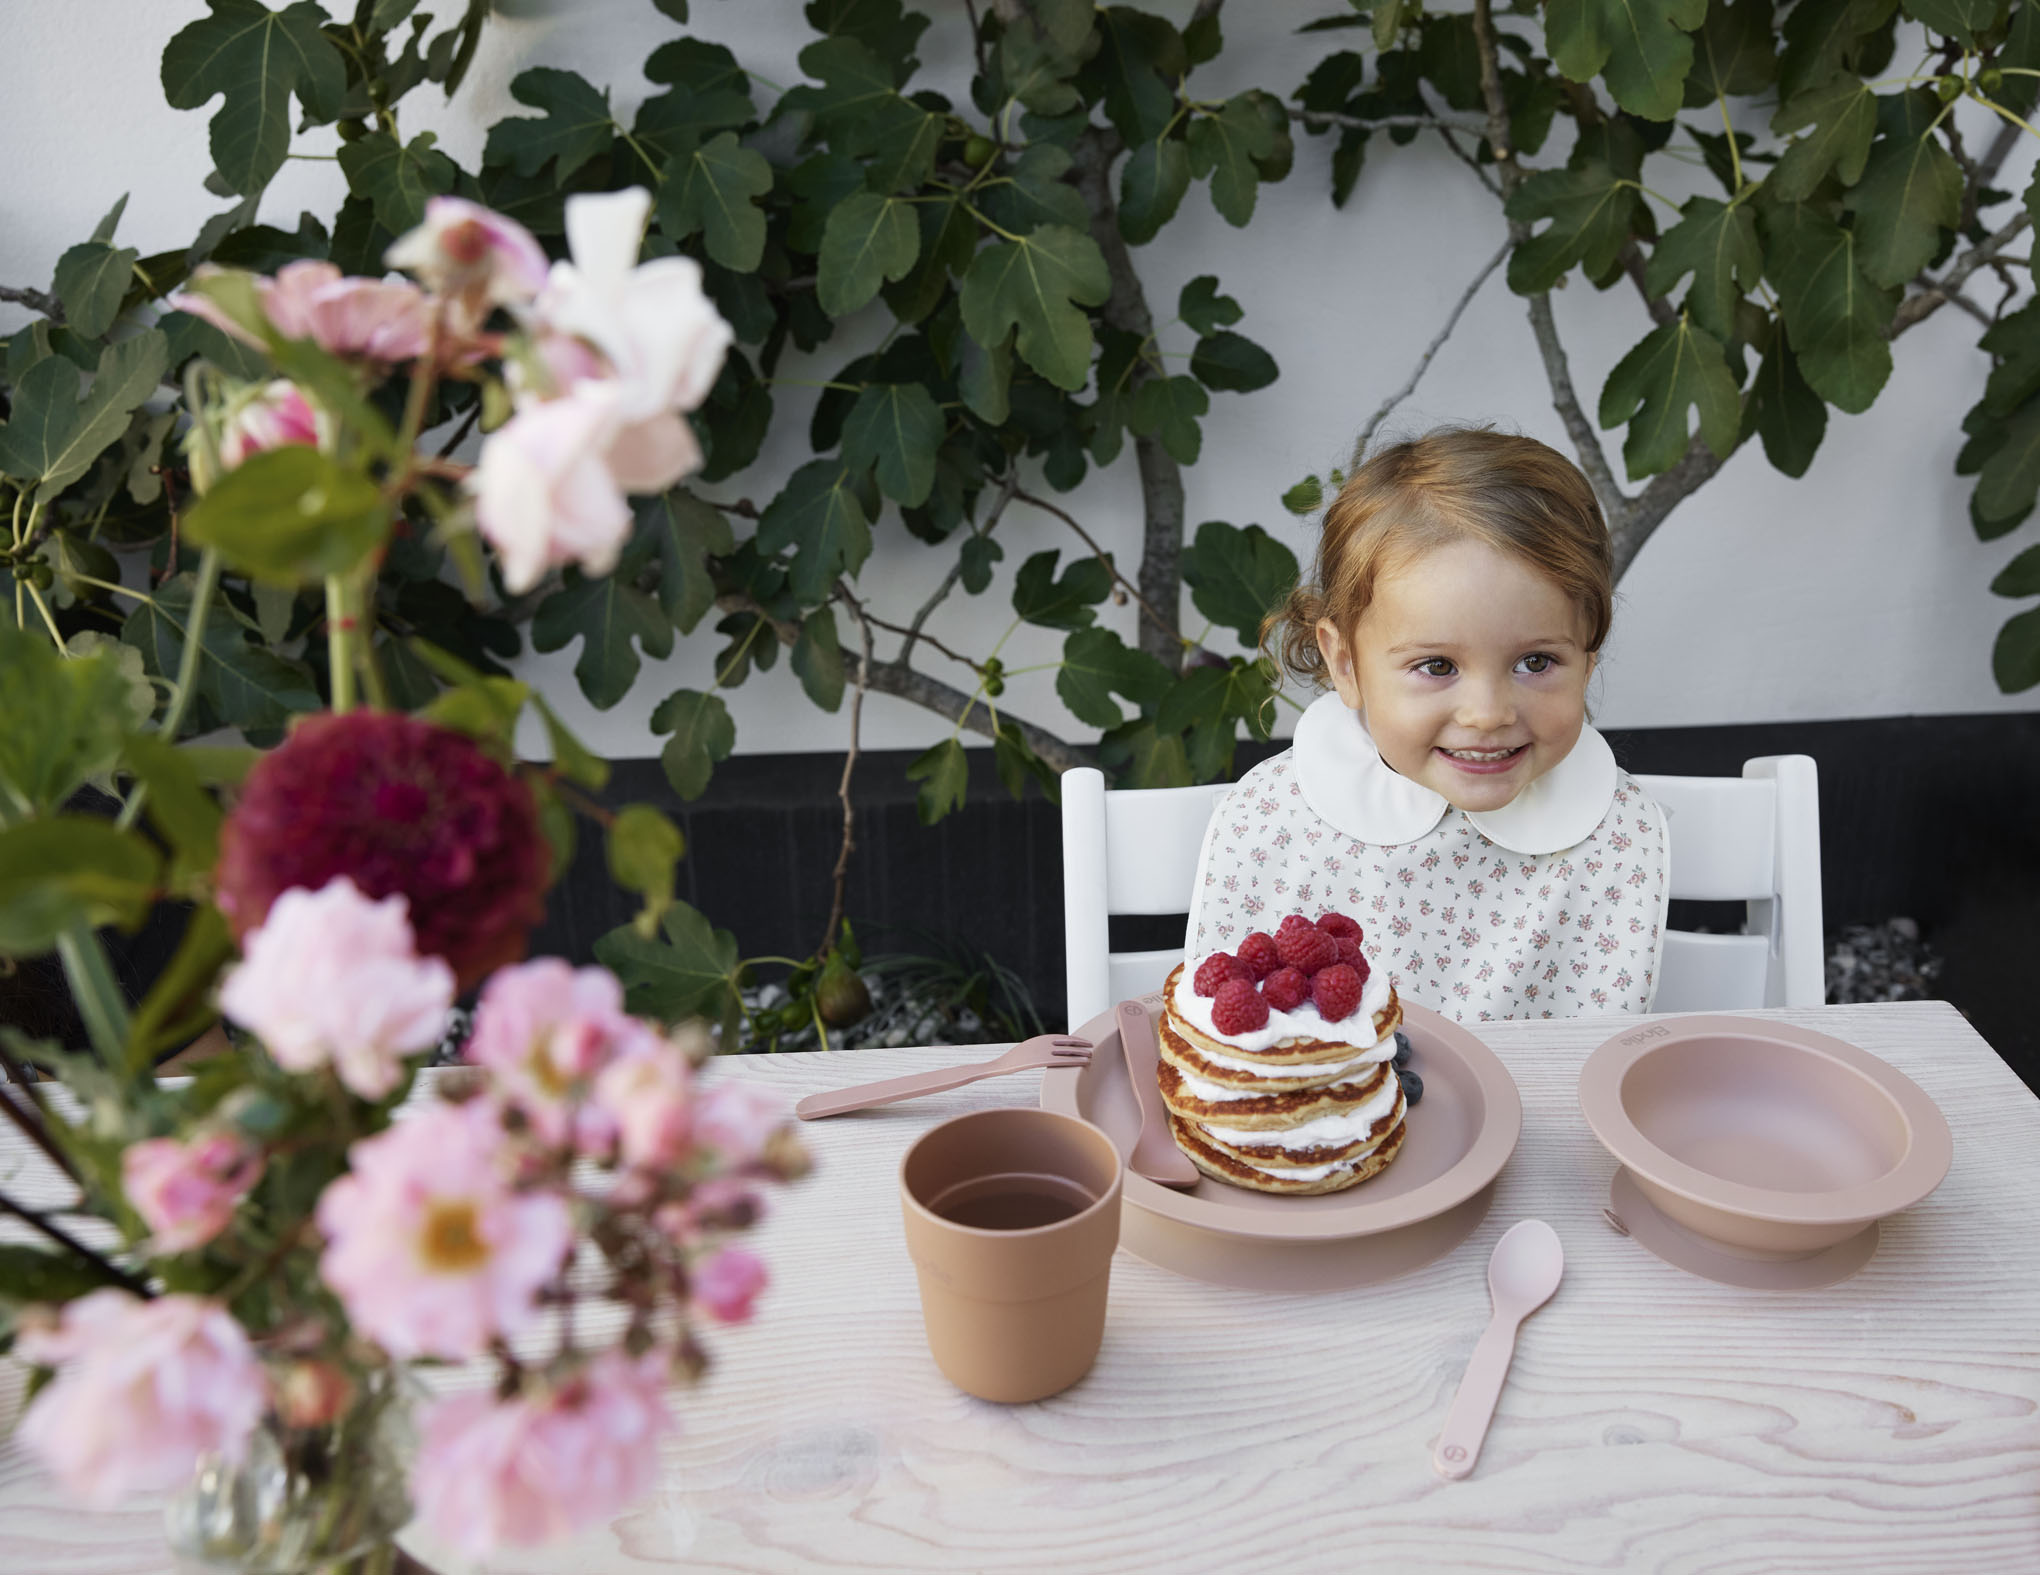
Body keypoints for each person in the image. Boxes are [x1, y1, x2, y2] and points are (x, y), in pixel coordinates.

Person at [1186, 427, 1669, 1021]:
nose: (1488, 713)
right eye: (1437, 665)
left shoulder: (1616, 835)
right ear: (1346, 664)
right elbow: (1238, 1037)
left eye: (1536, 662)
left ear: (1588, 656)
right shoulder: (1273, 820)